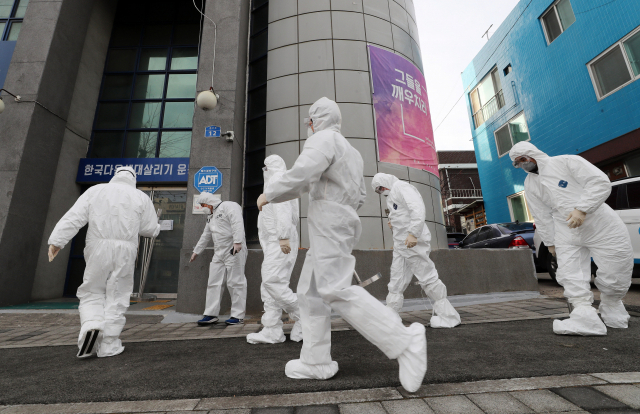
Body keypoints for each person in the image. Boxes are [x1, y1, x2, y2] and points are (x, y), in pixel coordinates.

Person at [257, 97, 427, 393]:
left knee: (334, 289)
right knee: (310, 293)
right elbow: (360, 195)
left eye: (309, 122)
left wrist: (269, 194)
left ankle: (403, 341)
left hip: (329, 220)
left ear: (316, 121)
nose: (308, 128)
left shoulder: (322, 139)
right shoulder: (351, 151)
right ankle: (315, 360)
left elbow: (301, 174)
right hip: (339, 220)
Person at [509, 141, 633, 335]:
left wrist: (582, 208)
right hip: (565, 227)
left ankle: (612, 306)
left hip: (600, 223)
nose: (522, 164)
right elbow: (540, 214)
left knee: (616, 267)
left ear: (533, 154)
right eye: (517, 163)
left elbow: (599, 182)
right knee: (569, 272)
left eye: (523, 159)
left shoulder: (567, 162)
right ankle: (584, 316)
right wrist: (550, 243)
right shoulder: (530, 183)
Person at [48, 166, 160, 358]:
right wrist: (157, 226)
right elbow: (149, 229)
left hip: (97, 246)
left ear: (115, 176)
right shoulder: (141, 197)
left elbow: (74, 218)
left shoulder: (96, 190)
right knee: (118, 294)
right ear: (133, 178)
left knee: (92, 289)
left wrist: (57, 242)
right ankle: (109, 343)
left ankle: (92, 324)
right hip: (126, 249)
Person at [371, 173, 461, 328]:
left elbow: (417, 209)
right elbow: (402, 214)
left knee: (426, 275)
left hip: (412, 241)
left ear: (386, 181)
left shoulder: (402, 187)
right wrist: (393, 224)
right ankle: (391, 314)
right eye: (379, 190)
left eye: (381, 187)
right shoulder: (392, 194)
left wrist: (413, 233)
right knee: (397, 278)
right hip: (401, 243)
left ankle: (448, 317)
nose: (382, 190)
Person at [247, 155, 303, 344]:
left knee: (272, 282)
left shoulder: (277, 178)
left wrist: (283, 236)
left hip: (279, 240)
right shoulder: (277, 179)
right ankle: (272, 330)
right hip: (274, 241)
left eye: (265, 167)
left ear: (268, 167)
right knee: (270, 285)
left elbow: (282, 208)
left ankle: (307, 317)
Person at [190, 192, 247, 326]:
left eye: (203, 204)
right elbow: (206, 234)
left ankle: (237, 316)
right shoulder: (211, 216)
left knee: (236, 282)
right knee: (214, 282)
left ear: (209, 202)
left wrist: (238, 242)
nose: (203, 207)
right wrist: (196, 251)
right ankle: (211, 314)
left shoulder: (228, 206)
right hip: (219, 252)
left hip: (233, 249)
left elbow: (237, 222)